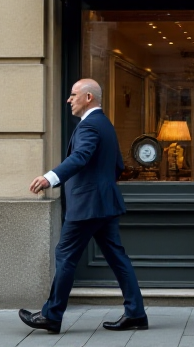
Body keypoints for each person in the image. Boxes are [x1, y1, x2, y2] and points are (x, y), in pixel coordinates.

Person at [18, 79, 148, 334]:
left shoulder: (89, 126)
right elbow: (118, 165)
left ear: (88, 97)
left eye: (73, 94)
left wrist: (50, 178)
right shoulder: (105, 124)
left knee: (65, 255)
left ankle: (51, 316)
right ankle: (136, 314)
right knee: (117, 257)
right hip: (103, 203)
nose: (69, 99)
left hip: (88, 206)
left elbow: (80, 157)